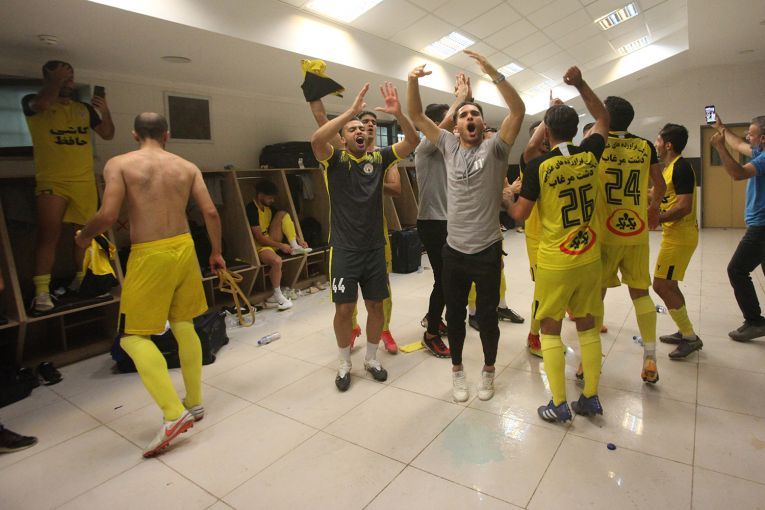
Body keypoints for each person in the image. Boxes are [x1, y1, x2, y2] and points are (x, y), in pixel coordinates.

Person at [75, 112, 225, 457]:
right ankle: (195, 402)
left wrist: (83, 237)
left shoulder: (119, 164)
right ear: (167, 134)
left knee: (132, 337)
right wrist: (216, 252)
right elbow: (211, 213)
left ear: (134, 134)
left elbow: (107, 215)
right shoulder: (187, 166)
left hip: (149, 254)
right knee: (184, 324)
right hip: (185, 248)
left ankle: (173, 413)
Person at [408, 50, 525, 402]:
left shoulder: (496, 150)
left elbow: (518, 110)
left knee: (487, 318)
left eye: (475, 113)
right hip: (454, 251)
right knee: (455, 316)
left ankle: (488, 371)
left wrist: (492, 72)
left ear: (482, 124)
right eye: (464, 115)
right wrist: (412, 81)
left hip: (487, 250)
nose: (470, 117)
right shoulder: (446, 145)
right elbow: (416, 115)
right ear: (455, 126)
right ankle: (457, 371)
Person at [508, 66, 610, 423]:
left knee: (550, 328)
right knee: (587, 325)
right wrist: (581, 84)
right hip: (589, 257)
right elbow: (602, 117)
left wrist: (506, 197)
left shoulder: (539, 166)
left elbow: (520, 214)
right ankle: (591, 397)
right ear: (576, 130)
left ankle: (559, 403)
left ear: (547, 132)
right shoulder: (590, 154)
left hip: (555, 260)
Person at [310, 83, 418, 391]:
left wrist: (399, 115)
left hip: (374, 249)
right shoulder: (334, 161)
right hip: (344, 250)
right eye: (352, 129)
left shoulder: (380, 159)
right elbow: (316, 139)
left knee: (375, 307)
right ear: (343, 138)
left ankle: (371, 359)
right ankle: (344, 361)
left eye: (362, 128)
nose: (359, 131)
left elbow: (412, 141)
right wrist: (350, 112)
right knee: (344, 310)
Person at [308, 99, 399, 354]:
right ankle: (352, 329)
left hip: (376, 233)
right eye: (361, 123)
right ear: (345, 136)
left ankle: (384, 330)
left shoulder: (383, 156)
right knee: (346, 302)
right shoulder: (339, 156)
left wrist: (371, 180)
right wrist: (314, 92)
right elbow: (321, 123)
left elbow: (397, 189)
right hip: (346, 238)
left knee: (379, 292)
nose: (366, 127)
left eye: (371, 123)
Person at [23, 60, 115, 312]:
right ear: (48, 78)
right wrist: (55, 82)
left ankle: (84, 280)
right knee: (49, 234)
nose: (69, 82)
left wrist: (105, 111)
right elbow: (41, 104)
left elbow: (108, 134)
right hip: (53, 180)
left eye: (71, 77)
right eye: (63, 77)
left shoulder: (83, 108)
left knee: (85, 235)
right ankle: (42, 292)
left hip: (83, 180)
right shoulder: (32, 101)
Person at [589, 95, 666, 384]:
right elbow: (660, 185)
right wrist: (653, 209)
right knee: (641, 293)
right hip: (635, 231)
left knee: (596, 295)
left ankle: (589, 362)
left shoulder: (597, 144)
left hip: (604, 234)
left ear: (604, 117)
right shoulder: (645, 146)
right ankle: (650, 356)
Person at [415, 73, 473, 359]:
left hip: (449, 221)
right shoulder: (425, 147)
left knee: (449, 277)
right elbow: (447, 124)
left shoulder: (449, 151)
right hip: (432, 222)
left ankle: (434, 318)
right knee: (444, 279)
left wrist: (467, 99)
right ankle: (431, 334)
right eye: (451, 123)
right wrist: (459, 98)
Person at [710, 114, 765, 341]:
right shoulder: (759, 152)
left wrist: (720, 148)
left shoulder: (763, 158)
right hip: (760, 225)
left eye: (751, 134)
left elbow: (737, 173)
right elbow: (739, 144)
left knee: (737, 270)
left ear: (763, 138)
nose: (747, 137)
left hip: (761, 228)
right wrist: (721, 127)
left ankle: (755, 322)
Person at [467, 127, 525, 330]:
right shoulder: (471, 164)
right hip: (473, 229)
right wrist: (510, 190)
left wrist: (509, 191)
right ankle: (473, 312)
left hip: (492, 226)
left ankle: (501, 306)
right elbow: (480, 198)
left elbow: (502, 198)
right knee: (474, 271)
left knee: (498, 266)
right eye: (489, 141)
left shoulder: (498, 165)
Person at [652, 123, 702, 358]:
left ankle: (690, 337)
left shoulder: (681, 167)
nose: (656, 144)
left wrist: (656, 218)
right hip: (674, 235)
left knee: (661, 285)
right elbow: (660, 194)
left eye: (658, 141)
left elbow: (684, 206)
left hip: (680, 237)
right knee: (669, 285)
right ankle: (684, 331)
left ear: (668, 145)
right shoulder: (669, 168)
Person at [245, 179, 311, 310]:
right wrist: (281, 246)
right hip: (260, 246)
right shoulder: (251, 209)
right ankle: (278, 295)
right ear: (260, 195)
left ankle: (295, 246)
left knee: (282, 214)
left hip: (271, 239)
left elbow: (285, 224)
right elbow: (259, 238)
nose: (272, 200)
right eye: (270, 198)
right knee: (277, 261)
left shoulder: (269, 208)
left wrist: (299, 240)